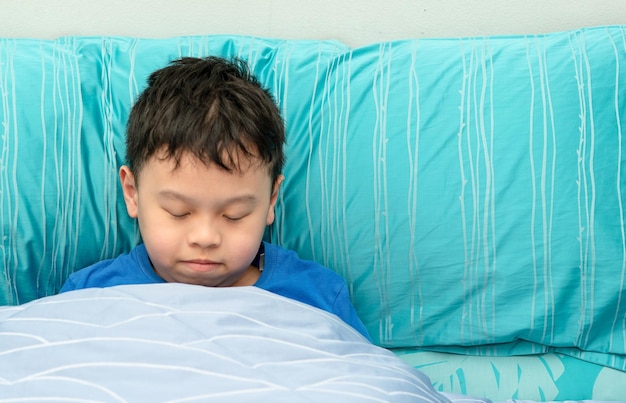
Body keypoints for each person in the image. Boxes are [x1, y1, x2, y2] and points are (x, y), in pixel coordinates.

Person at [60, 56, 370, 340]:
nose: (205, 238)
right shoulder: (88, 297)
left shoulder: (318, 297)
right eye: (178, 211)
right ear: (132, 194)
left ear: (271, 200)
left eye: (234, 214)